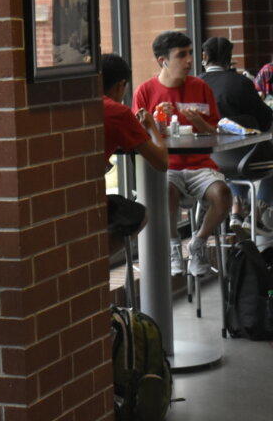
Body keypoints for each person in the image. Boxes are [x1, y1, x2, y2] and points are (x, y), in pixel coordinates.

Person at [133, 31, 232, 277]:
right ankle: (174, 248)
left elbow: (215, 131)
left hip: (201, 165)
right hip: (168, 166)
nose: (189, 61)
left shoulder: (201, 87)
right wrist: (154, 119)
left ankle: (198, 244)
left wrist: (200, 123)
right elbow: (137, 135)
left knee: (223, 194)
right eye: (181, 55)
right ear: (162, 60)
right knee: (164, 189)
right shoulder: (145, 92)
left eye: (190, 54)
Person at [199, 36, 273, 233]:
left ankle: (236, 210)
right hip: (246, 158)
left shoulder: (194, 84)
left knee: (230, 161)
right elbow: (266, 119)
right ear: (229, 58)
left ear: (204, 57)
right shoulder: (240, 83)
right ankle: (257, 213)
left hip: (209, 160)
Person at [102, 54, 168, 254]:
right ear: (121, 84)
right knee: (139, 214)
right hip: (87, 198)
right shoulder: (118, 112)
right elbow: (161, 162)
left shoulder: (75, 103)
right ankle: (97, 263)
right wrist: (151, 127)